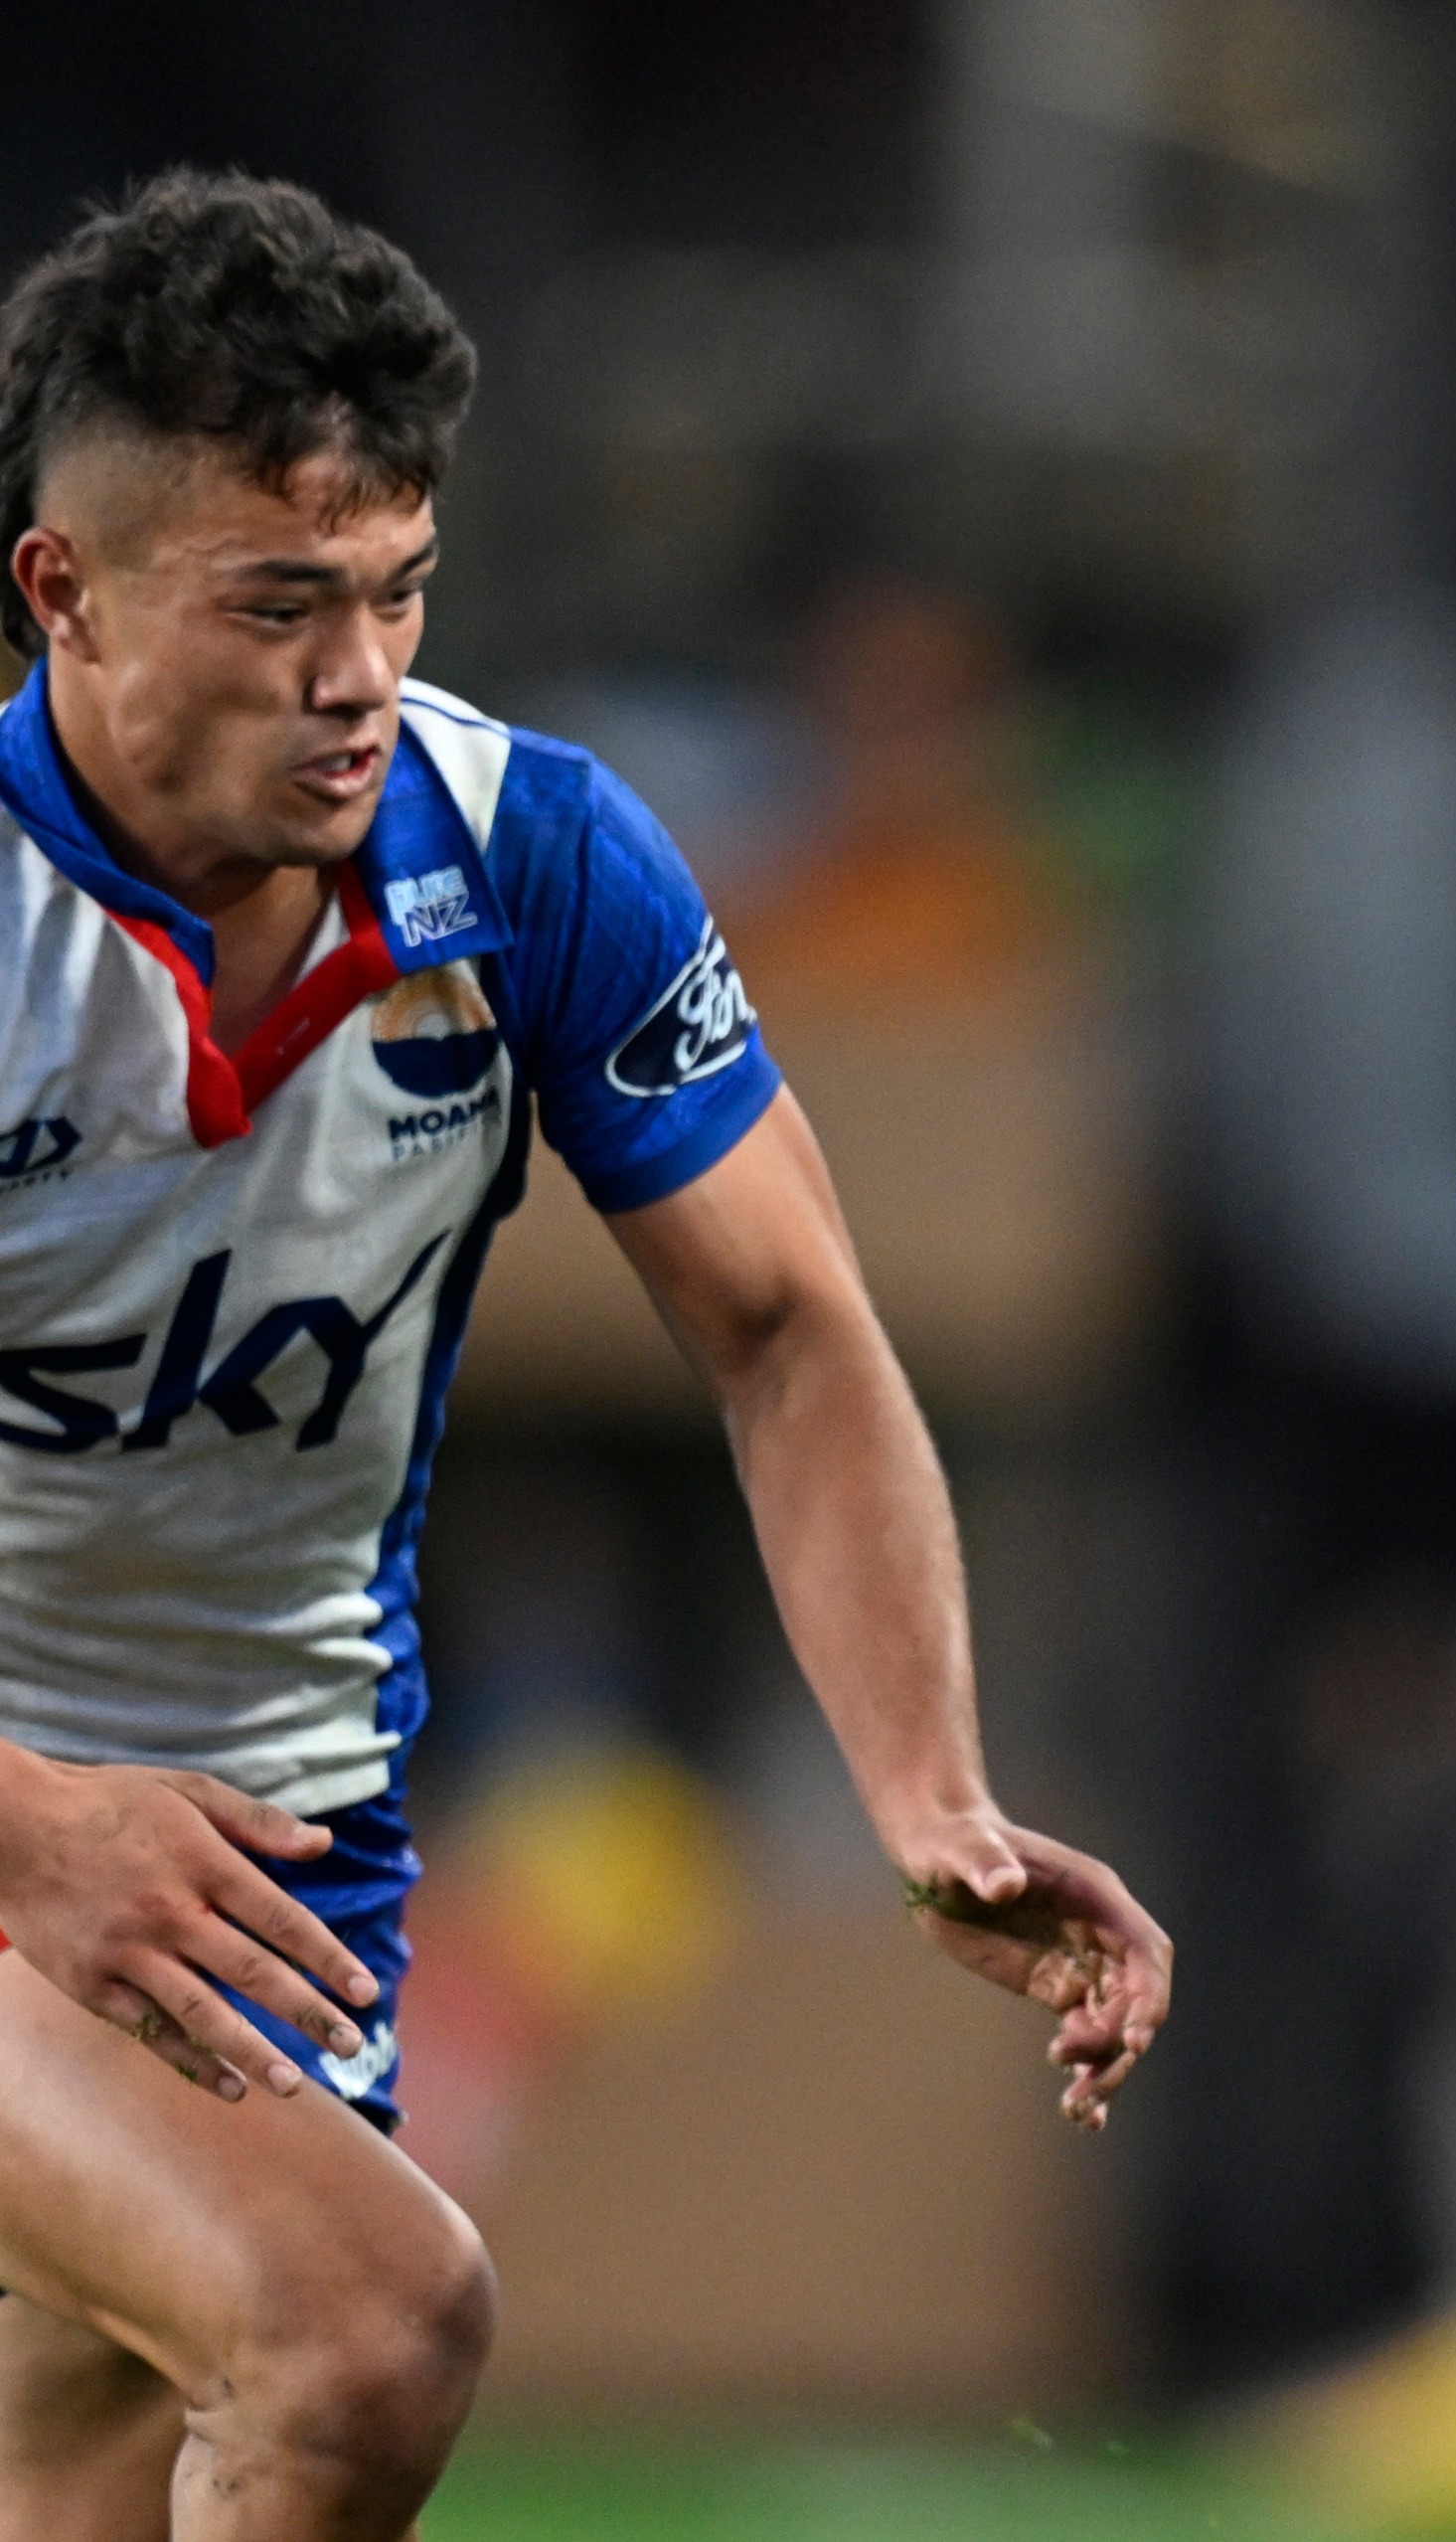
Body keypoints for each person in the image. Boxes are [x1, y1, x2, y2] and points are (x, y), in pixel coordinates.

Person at [0, 173, 1170, 2539]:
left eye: (399, 591)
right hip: (26, 1837)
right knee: (365, 2325)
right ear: (66, 591)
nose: (357, 673)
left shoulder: (529, 862)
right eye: (278, 603)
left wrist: (928, 1789)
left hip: (269, 1880)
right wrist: (31, 1819)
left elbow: (789, 1325)